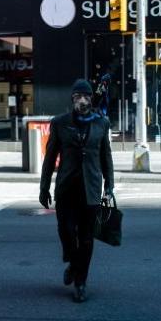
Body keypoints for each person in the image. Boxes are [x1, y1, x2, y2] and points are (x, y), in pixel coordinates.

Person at [40, 79, 115, 303]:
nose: (81, 100)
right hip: (66, 188)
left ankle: (81, 280)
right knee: (65, 229)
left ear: (91, 99)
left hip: (90, 189)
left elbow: (106, 156)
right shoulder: (60, 123)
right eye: (77, 96)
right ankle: (73, 261)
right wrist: (44, 187)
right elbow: (50, 157)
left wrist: (109, 185)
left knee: (86, 239)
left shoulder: (102, 123)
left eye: (86, 96)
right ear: (72, 99)